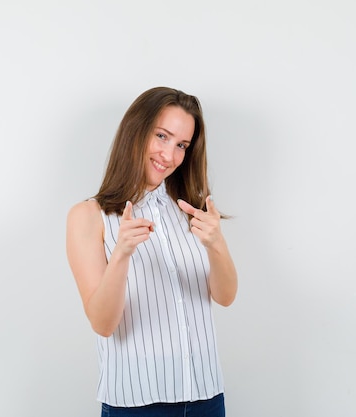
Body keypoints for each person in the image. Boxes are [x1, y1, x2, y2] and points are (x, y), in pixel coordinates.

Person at [66, 87, 238, 417]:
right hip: (136, 405)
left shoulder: (193, 209)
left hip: (206, 397)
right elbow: (103, 323)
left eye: (181, 145)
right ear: (136, 130)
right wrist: (121, 254)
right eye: (162, 136)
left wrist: (217, 243)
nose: (169, 155)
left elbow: (226, 296)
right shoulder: (88, 216)